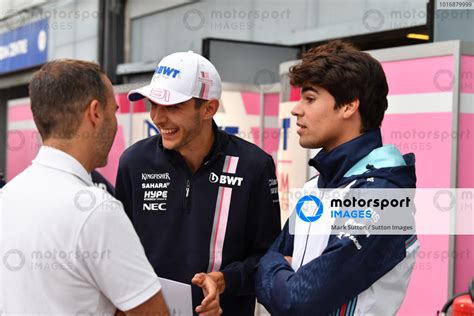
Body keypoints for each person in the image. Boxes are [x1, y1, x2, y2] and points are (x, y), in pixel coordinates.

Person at [255, 40, 419, 315]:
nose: (296, 109)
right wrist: (277, 268)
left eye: (310, 98)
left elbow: (297, 301)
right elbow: (267, 260)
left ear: (348, 106)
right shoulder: (316, 185)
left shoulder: (383, 196)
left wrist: (277, 269)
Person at [115, 51, 281, 316]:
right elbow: (118, 250)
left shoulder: (253, 165)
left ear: (209, 109)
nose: (157, 117)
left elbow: (270, 257)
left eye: (172, 106)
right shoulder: (134, 162)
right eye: (154, 104)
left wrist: (225, 281)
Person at [0, 60, 168, 315]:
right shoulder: (97, 211)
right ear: (95, 113)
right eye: (114, 111)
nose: (114, 122)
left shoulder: (7, 196)